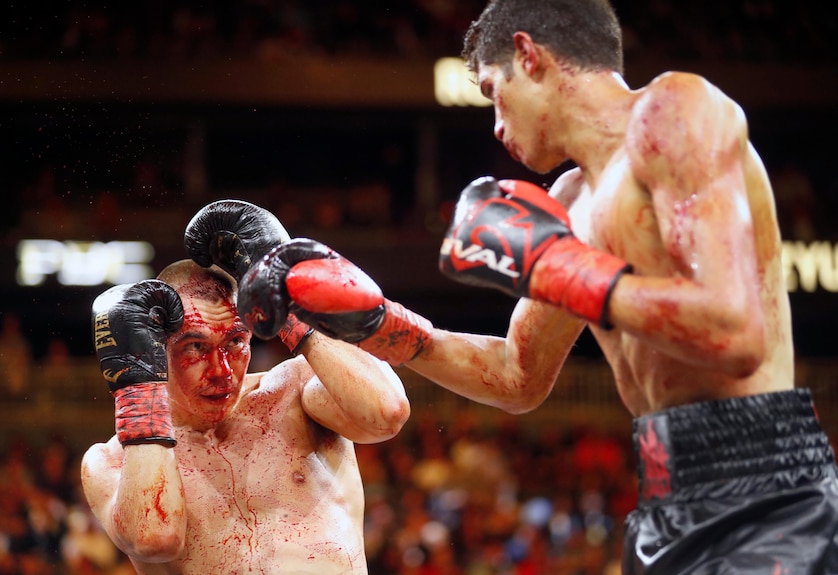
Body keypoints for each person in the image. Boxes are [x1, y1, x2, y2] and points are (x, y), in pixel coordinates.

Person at [221, 1, 838, 573]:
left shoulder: (676, 112)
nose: (495, 124)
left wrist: (561, 270)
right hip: (664, 485)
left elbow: (735, 333)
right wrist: (389, 328)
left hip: (762, 477)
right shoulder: (568, 204)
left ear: (528, 55)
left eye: (494, 92)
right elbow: (518, 376)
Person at [80, 201, 410, 575]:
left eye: (236, 342)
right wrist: (139, 393)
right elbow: (154, 539)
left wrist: (291, 305)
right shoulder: (111, 462)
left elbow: (387, 412)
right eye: (195, 347)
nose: (221, 371)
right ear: (156, 350)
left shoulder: (295, 390)